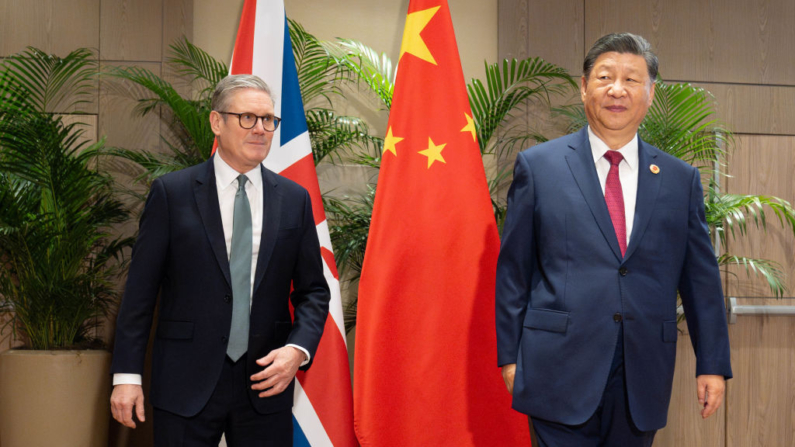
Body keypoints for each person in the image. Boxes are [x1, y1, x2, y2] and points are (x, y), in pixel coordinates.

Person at [496, 33, 732, 446]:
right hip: (556, 368)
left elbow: (700, 281)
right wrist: (510, 358)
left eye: (631, 79)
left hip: (641, 374)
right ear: (584, 86)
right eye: (605, 77)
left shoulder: (680, 180)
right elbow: (514, 271)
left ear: (651, 93)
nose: (617, 89)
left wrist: (711, 364)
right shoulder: (540, 167)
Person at [109, 74, 330, 446]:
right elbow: (140, 294)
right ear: (216, 121)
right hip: (185, 383)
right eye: (247, 117)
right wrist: (126, 376)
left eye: (268, 120)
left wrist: (298, 350)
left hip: (265, 384)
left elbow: (313, 292)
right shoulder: (172, 193)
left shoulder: (294, 199)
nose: (260, 129)